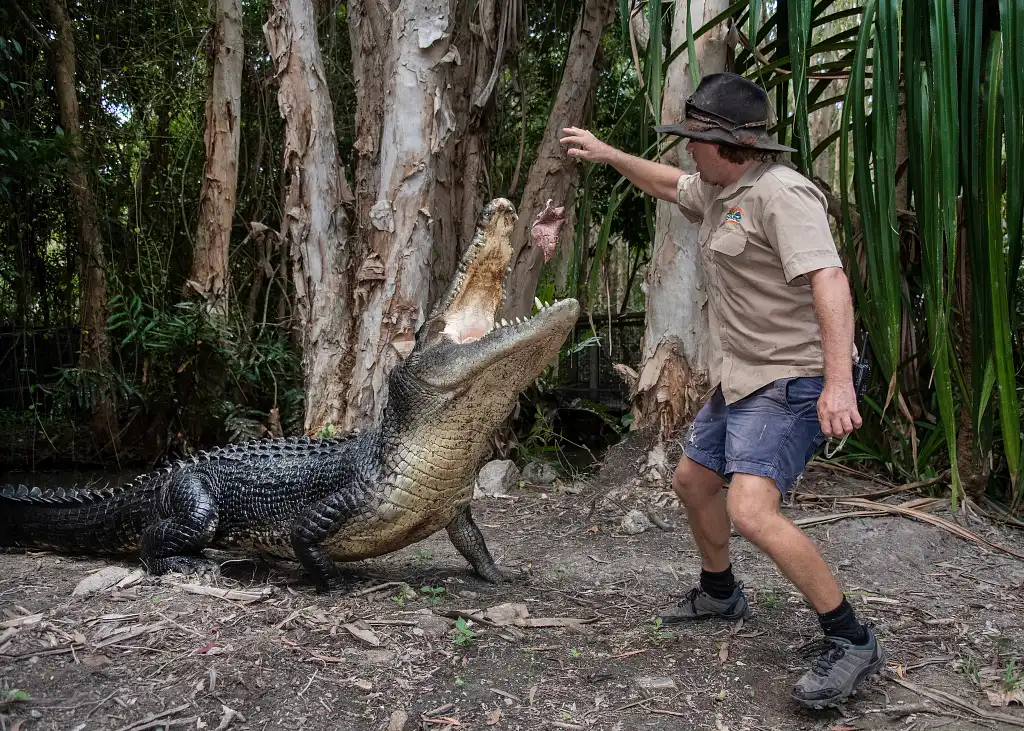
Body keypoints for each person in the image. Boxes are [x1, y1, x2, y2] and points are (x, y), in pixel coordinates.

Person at [560, 72, 884, 709]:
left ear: (722, 141)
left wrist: (840, 384)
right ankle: (720, 592)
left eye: (691, 140)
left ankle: (851, 640)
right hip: (738, 376)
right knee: (692, 481)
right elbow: (666, 184)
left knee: (752, 511)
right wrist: (606, 153)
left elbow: (831, 282)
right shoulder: (718, 189)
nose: (685, 152)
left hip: (791, 377)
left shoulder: (782, 194)